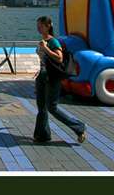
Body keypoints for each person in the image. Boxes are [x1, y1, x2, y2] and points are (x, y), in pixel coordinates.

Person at [33, 15, 86, 144]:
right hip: (42, 76)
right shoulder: (43, 40)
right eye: (37, 26)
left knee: (52, 107)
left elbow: (59, 58)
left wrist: (45, 48)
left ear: (48, 26)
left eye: (41, 26)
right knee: (41, 107)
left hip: (52, 78)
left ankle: (79, 127)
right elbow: (44, 60)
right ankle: (42, 135)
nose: (38, 28)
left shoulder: (53, 42)